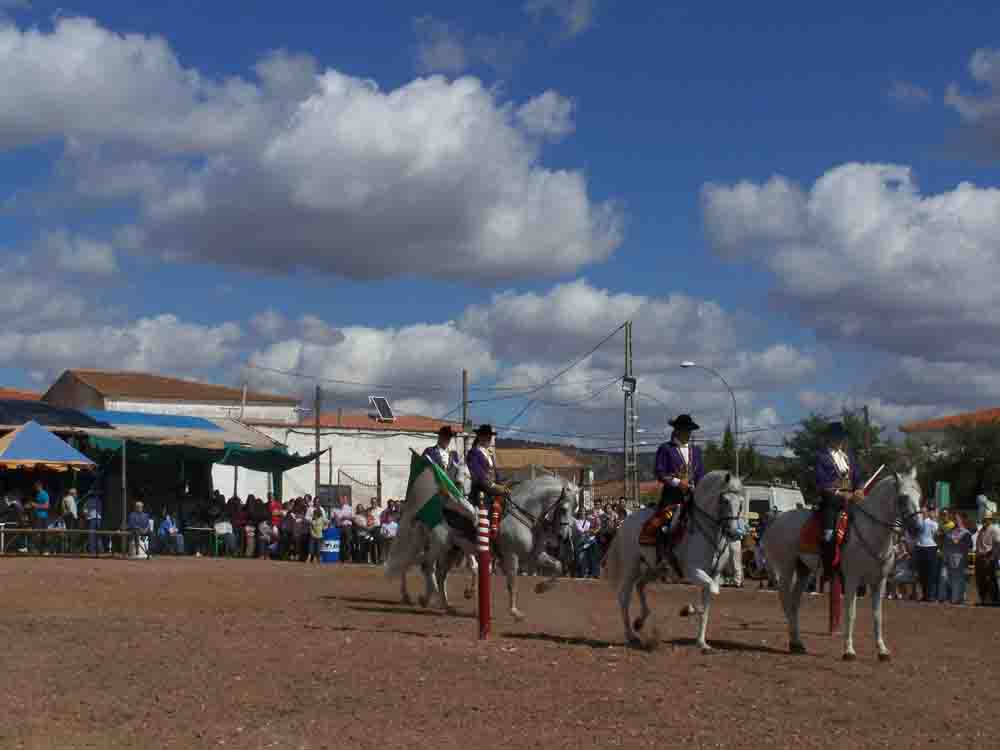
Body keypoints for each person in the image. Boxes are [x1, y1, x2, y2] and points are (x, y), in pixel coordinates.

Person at [649, 414, 705, 565]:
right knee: (664, 524)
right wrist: (678, 483)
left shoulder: (697, 451)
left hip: (693, 497)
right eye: (686, 430)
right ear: (677, 430)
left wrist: (697, 486)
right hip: (672, 498)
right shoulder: (666, 449)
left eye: (690, 430)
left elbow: (700, 474)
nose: (689, 433)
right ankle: (662, 556)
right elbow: (659, 472)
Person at [815, 421, 862, 580]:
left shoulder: (849, 457)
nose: (840, 440)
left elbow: (857, 477)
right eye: (836, 437)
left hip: (851, 502)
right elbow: (821, 483)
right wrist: (842, 494)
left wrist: (859, 489)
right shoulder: (822, 457)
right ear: (829, 438)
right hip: (831, 502)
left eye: (842, 437)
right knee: (828, 534)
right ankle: (828, 569)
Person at [466, 424, 509, 537]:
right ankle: (483, 535)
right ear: (480, 438)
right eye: (487, 437)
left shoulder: (489, 453)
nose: (489, 439)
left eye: (490, 437)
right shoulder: (474, 453)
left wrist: (504, 484)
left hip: (494, 489)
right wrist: (496, 487)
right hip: (481, 490)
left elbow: (496, 474)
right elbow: (479, 476)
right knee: (484, 506)